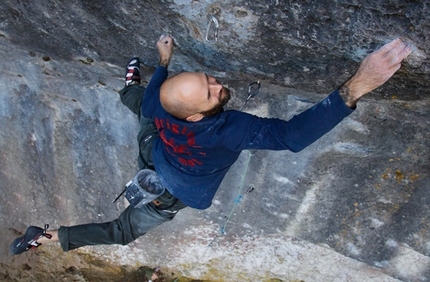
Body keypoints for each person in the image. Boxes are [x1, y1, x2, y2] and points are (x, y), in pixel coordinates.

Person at [9, 35, 412, 255]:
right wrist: (359, 84)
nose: (219, 85)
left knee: (143, 111)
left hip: (157, 150)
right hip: (175, 185)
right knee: (122, 231)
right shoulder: (229, 129)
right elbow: (291, 137)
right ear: (197, 116)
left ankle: (124, 88)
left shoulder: (162, 103)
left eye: (207, 79)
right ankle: (47, 237)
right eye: (209, 90)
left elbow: (155, 95)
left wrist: (163, 62)